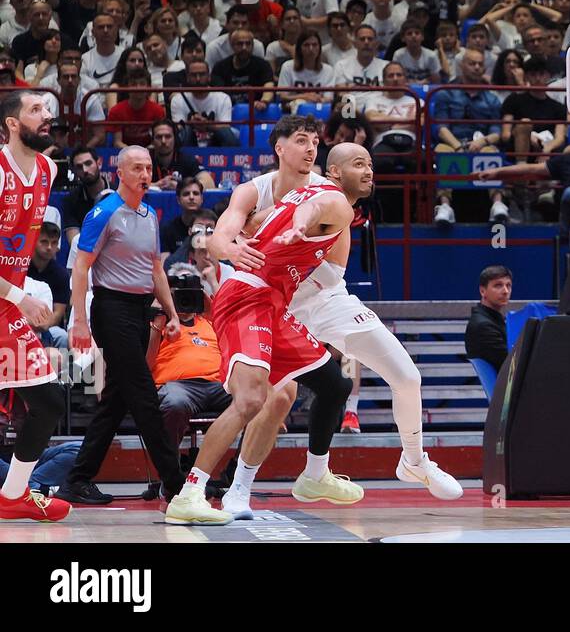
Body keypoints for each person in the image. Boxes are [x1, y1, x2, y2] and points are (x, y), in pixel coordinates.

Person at [200, 120, 461, 519]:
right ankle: (238, 491)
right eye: (301, 141)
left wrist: (300, 231)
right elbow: (219, 238)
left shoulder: (326, 194)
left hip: (324, 297)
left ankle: (414, 460)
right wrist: (234, 248)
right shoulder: (255, 190)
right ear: (280, 148)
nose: (310, 149)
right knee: (279, 398)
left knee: (406, 377)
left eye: (314, 143)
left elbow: (317, 219)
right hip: (268, 301)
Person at [162, 143, 367, 525]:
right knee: (253, 398)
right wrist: (295, 229)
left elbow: (290, 216)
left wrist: (283, 228)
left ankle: (314, 473)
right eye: (361, 165)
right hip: (249, 295)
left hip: (276, 303)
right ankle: (190, 492)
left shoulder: (302, 195)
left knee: (333, 385)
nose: (370, 172)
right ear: (337, 173)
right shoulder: (329, 201)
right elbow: (306, 212)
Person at [59, 146, 185, 505]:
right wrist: (79, 320)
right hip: (110, 308)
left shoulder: (150, 215)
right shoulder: (104, 212)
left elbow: (156, 269)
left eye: (148, 168)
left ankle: (77, 480)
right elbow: (81, 267)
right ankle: (176, 483)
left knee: (115, 401)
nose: (145, 174)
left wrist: (172, 313)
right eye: (137, 168)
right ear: (119, 172)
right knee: (144, 395)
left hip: (140, 309)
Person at [0, 92, 69, 521]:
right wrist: (19, 295)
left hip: (7, 303)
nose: (48, 116)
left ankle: (13, 494)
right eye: (36, 111)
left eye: (48, 110)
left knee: (47, 402)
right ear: (11, 123)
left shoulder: (48, 168)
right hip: (9, 298)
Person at [149, 263, 232, 450]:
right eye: (178, 293)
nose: (184, 298)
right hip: (179, 387)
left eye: (190, 292)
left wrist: (211, 306)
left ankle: (234, 467)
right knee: (175, 403)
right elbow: (146, 365)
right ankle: (170, 470)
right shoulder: (159, 323)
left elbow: (233, 330)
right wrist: (161, 317)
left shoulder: (210, 321)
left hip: (218, 385)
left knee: (255, 398)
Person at [465, 264, 511, 372]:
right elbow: (511, 365)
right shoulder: (483, 327)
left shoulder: (491, 319)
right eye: (498, 285)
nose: (506, 291)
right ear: (482, 291)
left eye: (508, 285)